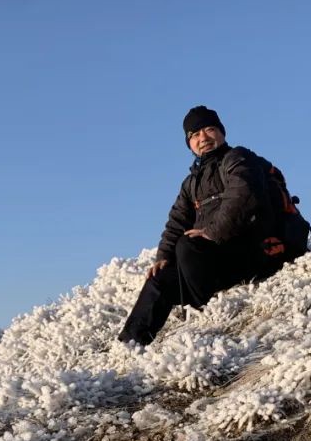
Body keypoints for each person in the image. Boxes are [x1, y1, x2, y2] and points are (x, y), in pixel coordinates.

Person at [118, 106, 283, 346]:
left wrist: (211, 233)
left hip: (255, 250)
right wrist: (163, 256)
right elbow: (177, 221)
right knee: (160, 277)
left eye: (209, 129)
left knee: (188, 246)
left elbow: (243, 196)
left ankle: (207, 317)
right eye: (194, 135)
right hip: (214, 261)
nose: (202, 138)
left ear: (221, 132)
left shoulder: (238, 158)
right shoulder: (191, 182)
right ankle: (129, 344)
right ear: (189, 143)